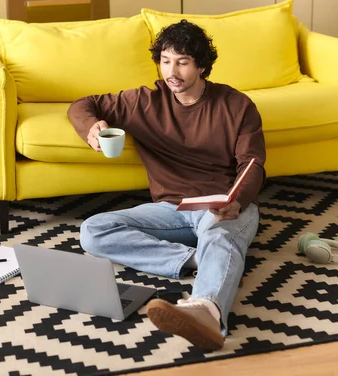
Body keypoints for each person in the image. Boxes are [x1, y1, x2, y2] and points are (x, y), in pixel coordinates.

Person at [67, 19, 266, 350]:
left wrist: (236, 200)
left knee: (218, 232)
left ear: (202, 66)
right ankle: (200, 260)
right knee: (94, 230)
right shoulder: (145, 101)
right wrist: (92, 127)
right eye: (166, 60)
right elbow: (82, 105)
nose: (172, 71)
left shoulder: (236, 105)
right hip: (169, 209)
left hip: (222, 205)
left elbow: (253, 163)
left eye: (183, 62)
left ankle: (207, 312)